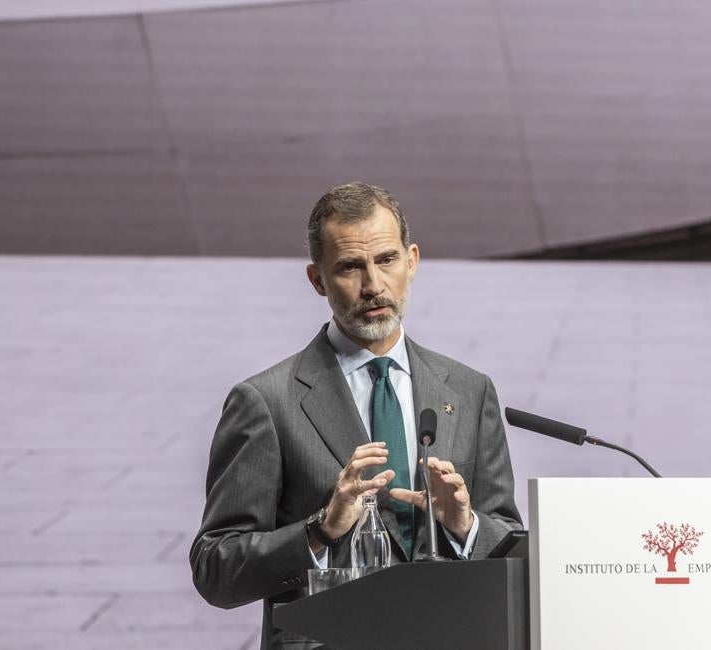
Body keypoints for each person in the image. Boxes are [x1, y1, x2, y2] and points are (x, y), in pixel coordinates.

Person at [190, 182, 523, 649]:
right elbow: (215, 568)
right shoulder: (266, 401)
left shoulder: (469, 391)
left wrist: (466, 526)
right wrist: (320, 530)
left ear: (412, 261)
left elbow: (509, 540)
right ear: (317, 280)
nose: (372, 285)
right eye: (350, 266)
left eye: (386, 260)